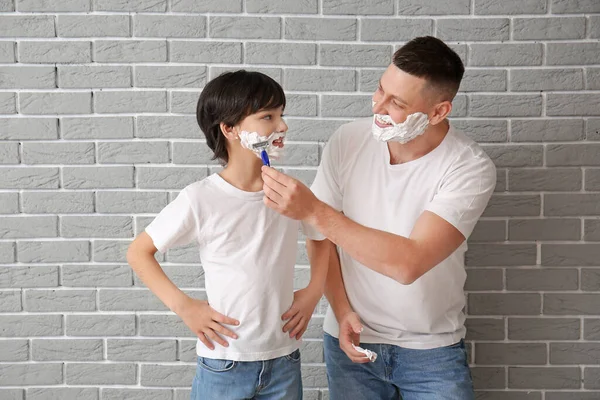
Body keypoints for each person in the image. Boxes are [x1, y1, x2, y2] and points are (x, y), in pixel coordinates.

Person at [260, 36, 497, 399]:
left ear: (438, 112)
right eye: (380, 90)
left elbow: (409, 263)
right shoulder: (349, 140)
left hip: (431, 351)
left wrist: (314, 210)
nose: (378, 107)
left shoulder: (469, 167)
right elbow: (320, 237)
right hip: (349, 341)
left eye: (397, 103)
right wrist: (341, 311)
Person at [126, 70, 329, 400]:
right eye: (268, 116)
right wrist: (186, 308)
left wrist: (314, 290)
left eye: (281, 115)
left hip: (284, 358)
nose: (283, 126)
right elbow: (138, 252)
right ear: (229, 129)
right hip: (223, 363)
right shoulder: (200, 198)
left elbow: (321, 236)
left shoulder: (291, 192)